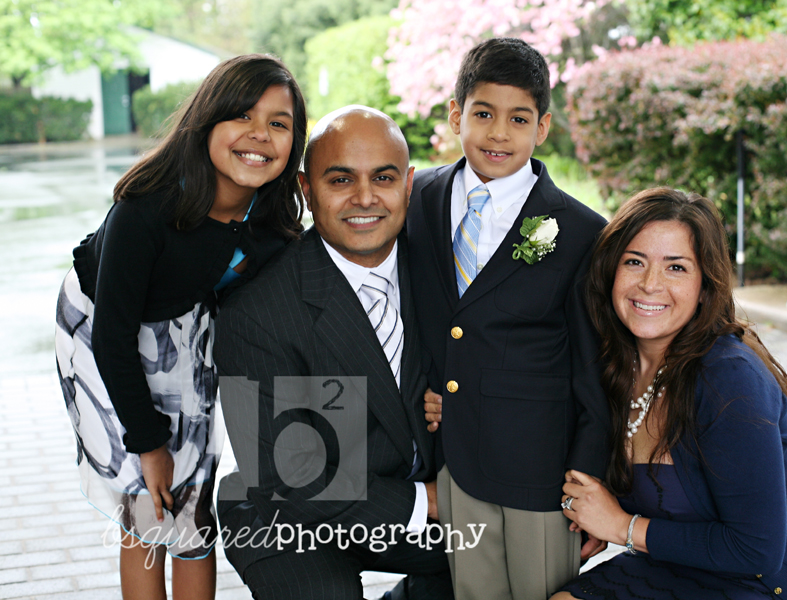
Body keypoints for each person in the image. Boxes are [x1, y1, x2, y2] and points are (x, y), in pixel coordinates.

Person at [54, 54, 306, 599]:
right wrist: (148, 444)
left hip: (186, 322)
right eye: (242, 115)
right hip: (102, 330)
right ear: (206, 122)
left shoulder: (273, 228)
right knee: (147, 508)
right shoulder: (146, 208)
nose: (259, 134)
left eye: (278, 124)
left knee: (192, 508)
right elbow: (113, 337)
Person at [552, 187, 787, 600]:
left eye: (676, 268)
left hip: (769, 577)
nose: (650, 284)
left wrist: (620, 526)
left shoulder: (730, 380)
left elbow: (756, 550)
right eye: (634, 261)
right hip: (676, 560)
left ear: (705, 285)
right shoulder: (613, 364)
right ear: (609, 271)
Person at [213, 106, 454, 600]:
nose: (364, 198)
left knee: (527, 557)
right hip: (288, 514)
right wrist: (430, 501)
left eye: (383, 178)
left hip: (417, 497)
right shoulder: (254, 312)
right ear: (306, 189)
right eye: (341, 180)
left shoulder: (443, 268)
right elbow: (285, 477)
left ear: (408, 183)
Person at [407, 37, 611, 600]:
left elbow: (593, 371)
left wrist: (588, 482)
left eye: (518, 119)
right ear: (456, 116)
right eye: (483, 114)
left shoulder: (580, 232)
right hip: (451, 464)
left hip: (540, 473)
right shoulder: (416, 199)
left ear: (541, 128)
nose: (499, 133)